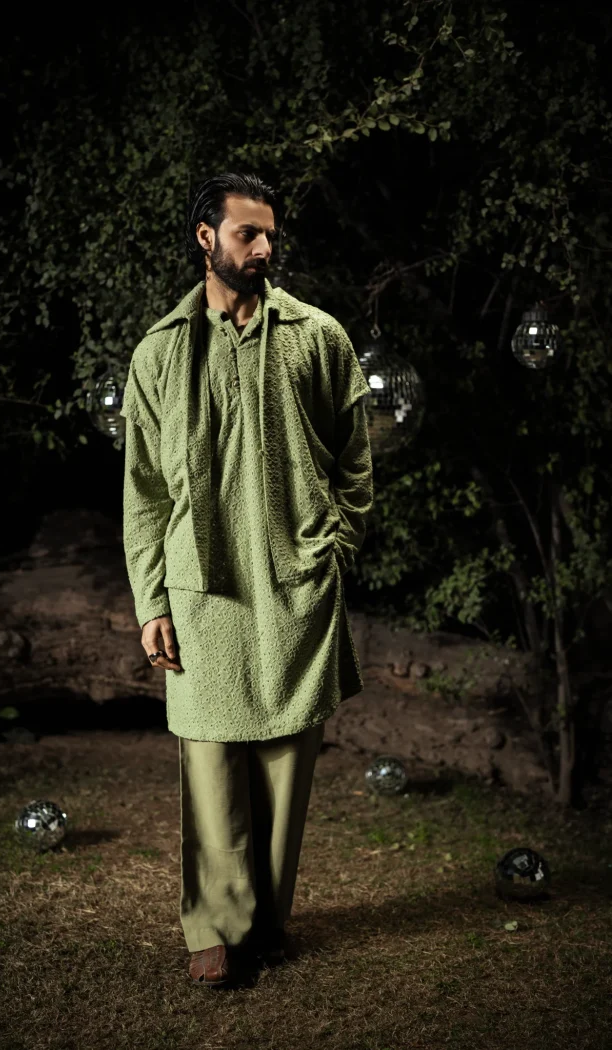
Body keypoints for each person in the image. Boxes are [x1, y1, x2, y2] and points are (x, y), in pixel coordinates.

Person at [120, 171, 373, 987]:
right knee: (210, 760)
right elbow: (144, 492)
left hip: (297, 582)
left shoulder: (318, 337)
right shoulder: (159, 352)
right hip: (201, 588)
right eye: (246, 234)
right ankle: (214, 927)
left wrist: (335, 543)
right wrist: (151, 601)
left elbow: (355, 459)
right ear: (206, 239)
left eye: (269, 235)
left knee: (286, 767)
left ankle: (264, 922)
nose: (263, 248)